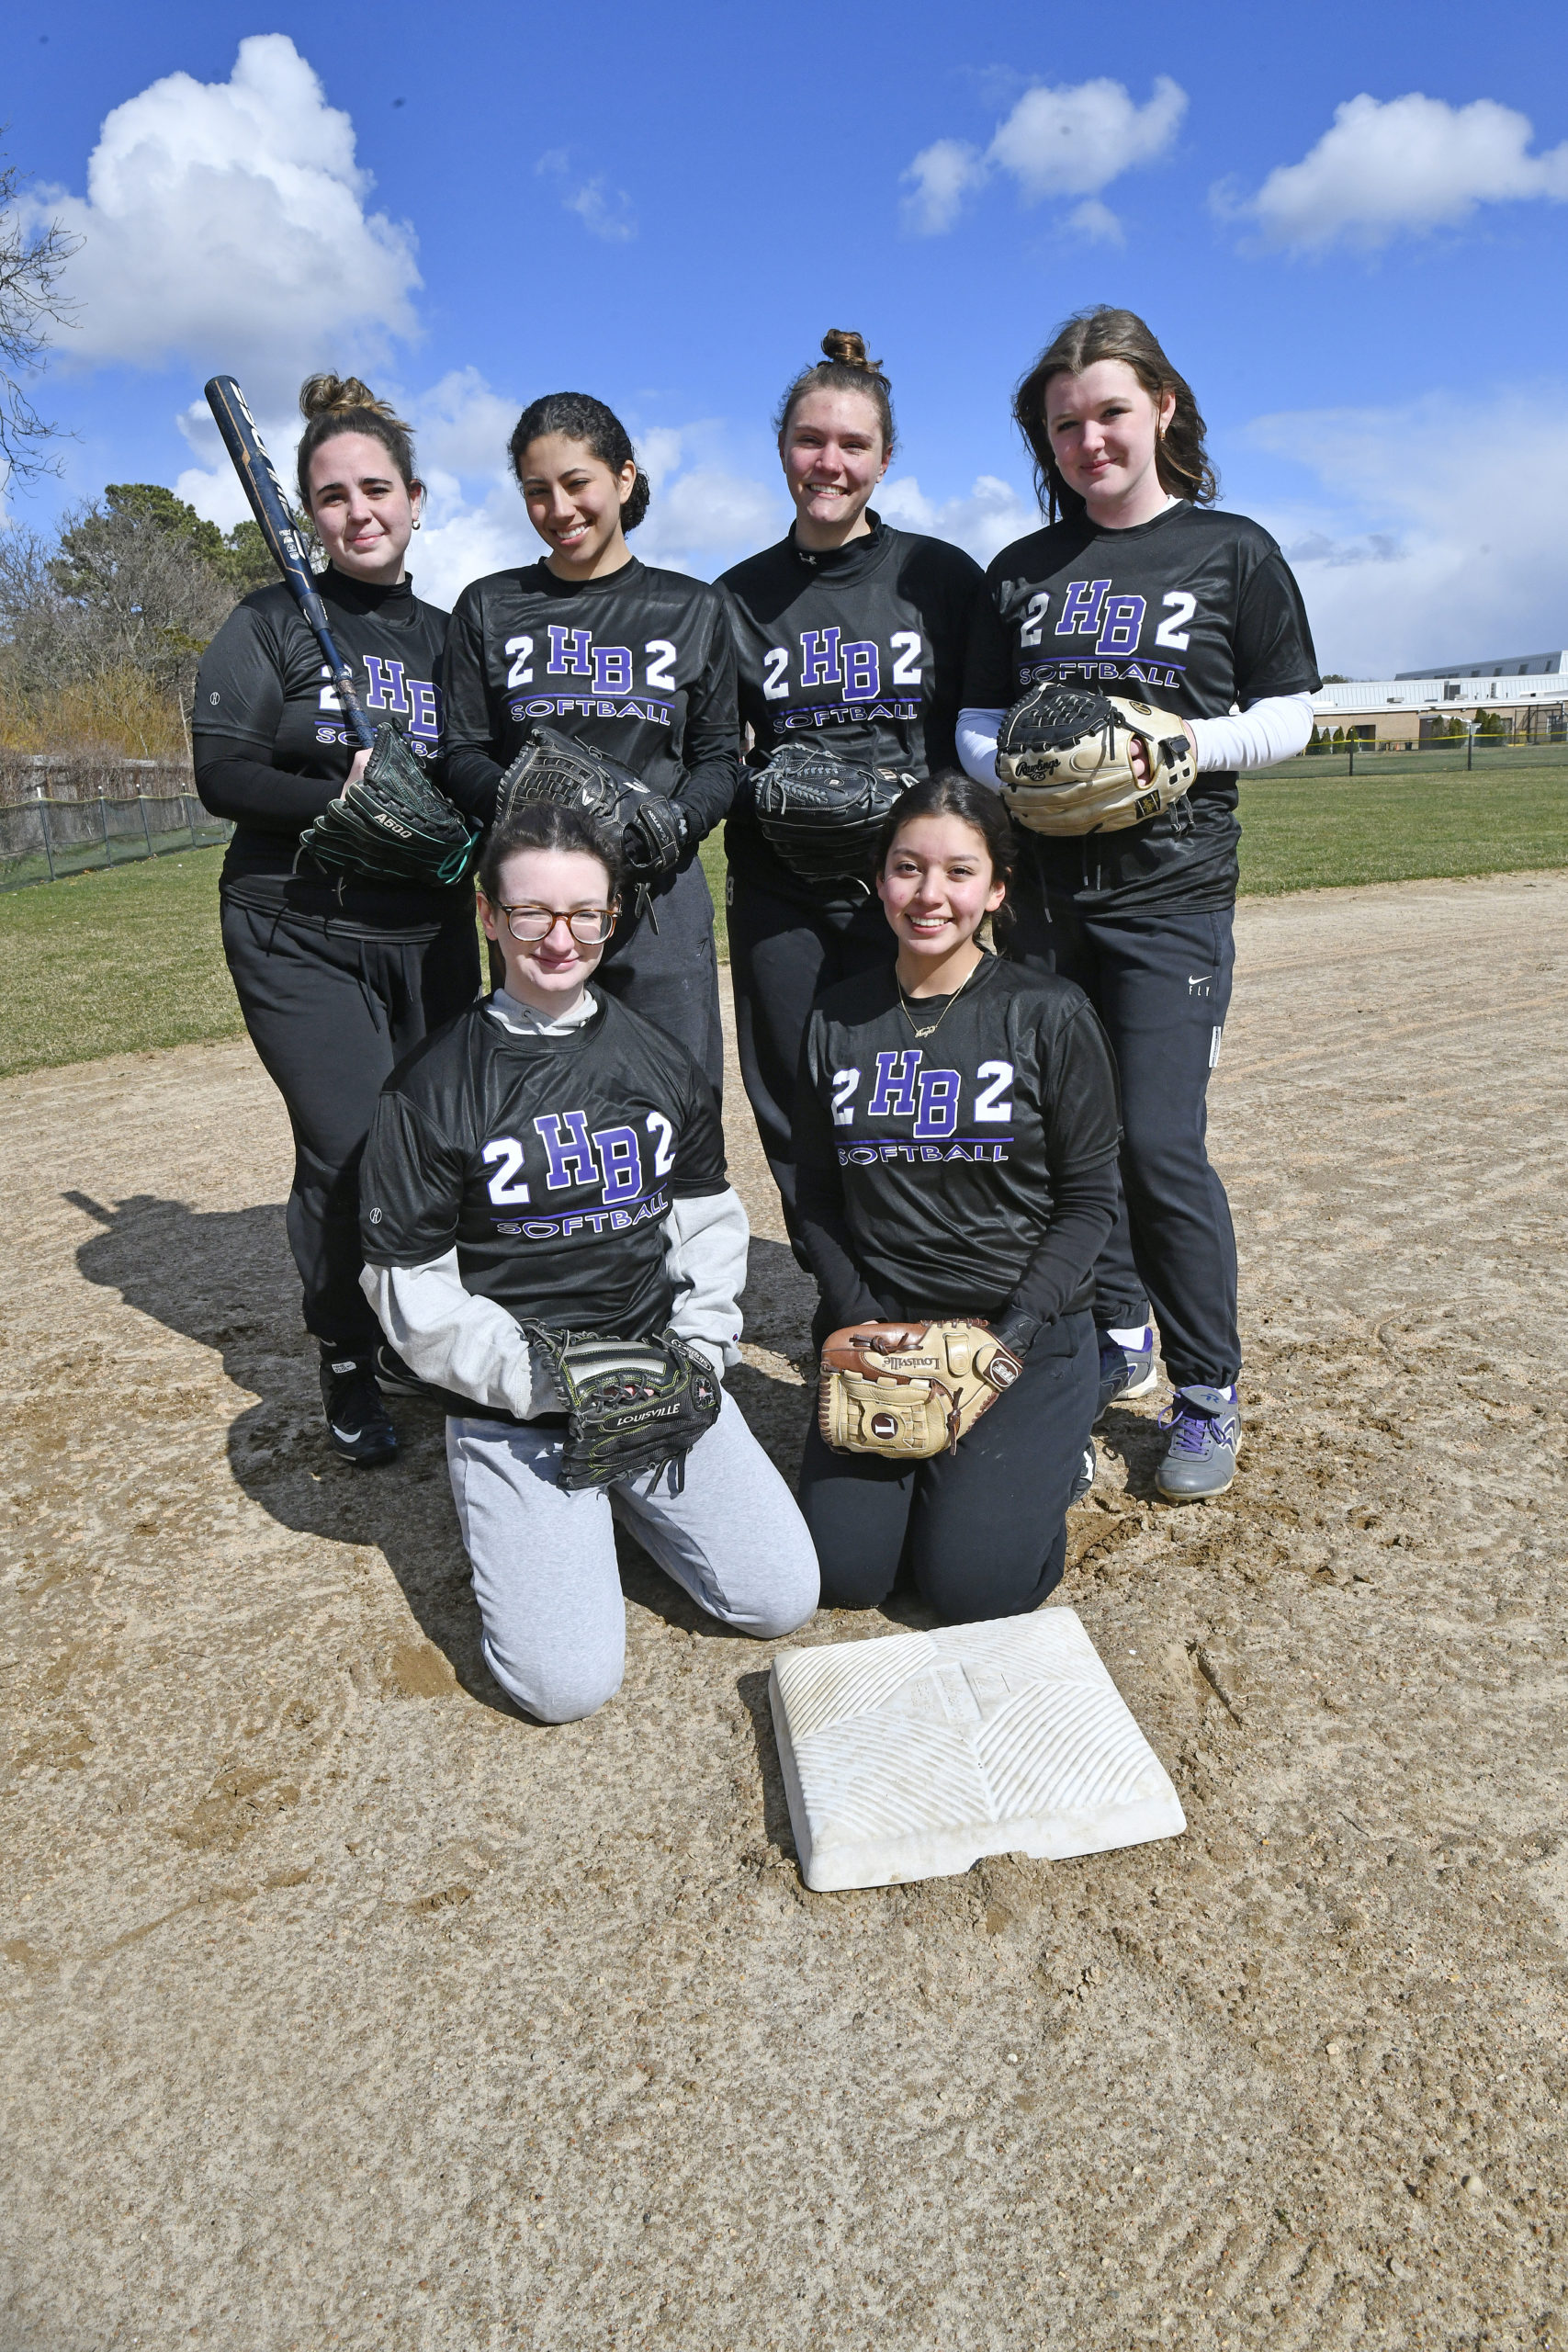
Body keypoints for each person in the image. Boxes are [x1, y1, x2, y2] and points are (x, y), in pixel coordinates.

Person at [958, 306, 1321, 1499]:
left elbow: (1291, 710)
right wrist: (1029, 765)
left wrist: (1177, 745)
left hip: (1168, 898)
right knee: (1074, 1138)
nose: (1088, 440)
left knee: (1159, 1142)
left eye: (1109, 412)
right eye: (1063, 425)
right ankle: (1117, 1327)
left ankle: (1205, 1386)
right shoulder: (1019, 573)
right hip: (1044, 905)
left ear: (1161, 407)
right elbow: (968, 727)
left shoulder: (1228, 550)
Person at [356, 799, 819, 1724]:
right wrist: (540, 1378)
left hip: (654, 1375)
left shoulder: (658, 1060)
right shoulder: (432, 1088)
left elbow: (707, 1223)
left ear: (614, 918)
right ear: (489, 915)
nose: (558, 937)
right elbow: (408, 1286)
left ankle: (622, 1497)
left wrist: (699, 1352)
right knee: (565, 1687)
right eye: (532, 912)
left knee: (780, 1599)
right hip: (518, 1401)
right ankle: (539, 1506)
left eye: (584, 914)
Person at [194, 374, 483, 1468]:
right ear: (305, 514)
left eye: (376, 489)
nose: (357, 511)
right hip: (296, 920)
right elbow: (221, 772)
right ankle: (349, 1351)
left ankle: (419, 1330)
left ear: (415, 499)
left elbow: (476, 771)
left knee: (434, 1143)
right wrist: (346, 797)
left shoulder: (453, 639)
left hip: (430, 929)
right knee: (350, 1141)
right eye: (331, 496)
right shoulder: (270, 622)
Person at [793, 773, 1121, 1623]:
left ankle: (1053, 1452)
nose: (929, 894)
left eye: (958, 872)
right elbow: (816, 1198)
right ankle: (955, 1475)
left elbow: (1090, 1201)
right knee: (846, 1574)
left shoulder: (1048, 1013)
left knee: (973, 1591)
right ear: (878, 879)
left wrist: (1008, 1338)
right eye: (907, 868)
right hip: (887, 1327)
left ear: (997, 889)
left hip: (1020, 1335)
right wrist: (861, 1320)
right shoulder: (836, 1018)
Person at [718, 330, 985, 1240]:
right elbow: (719, 757)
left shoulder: (938, 577)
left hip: (912, 890)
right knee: (800, 1103)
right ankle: (843, 1294)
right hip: (784, 895)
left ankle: (931, 1284)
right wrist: (769, 789)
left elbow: (977, 736)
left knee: (918, 1094)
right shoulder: (736, 598)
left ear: (885, 457)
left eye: (852, 444)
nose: (828, 462)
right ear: (782, 446)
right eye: (808, 439)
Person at [440, 393, 738, 1098]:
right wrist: (542, 820)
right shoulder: (489, 606)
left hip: (658, 894)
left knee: (676, 1093)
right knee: (545, 1098)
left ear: (624, 479)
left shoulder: (692, 608)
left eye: (577, 483)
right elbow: (461, 753)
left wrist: (678, 821)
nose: (559, 509)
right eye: (536, 491)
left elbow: (721, 756)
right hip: (536, 902)